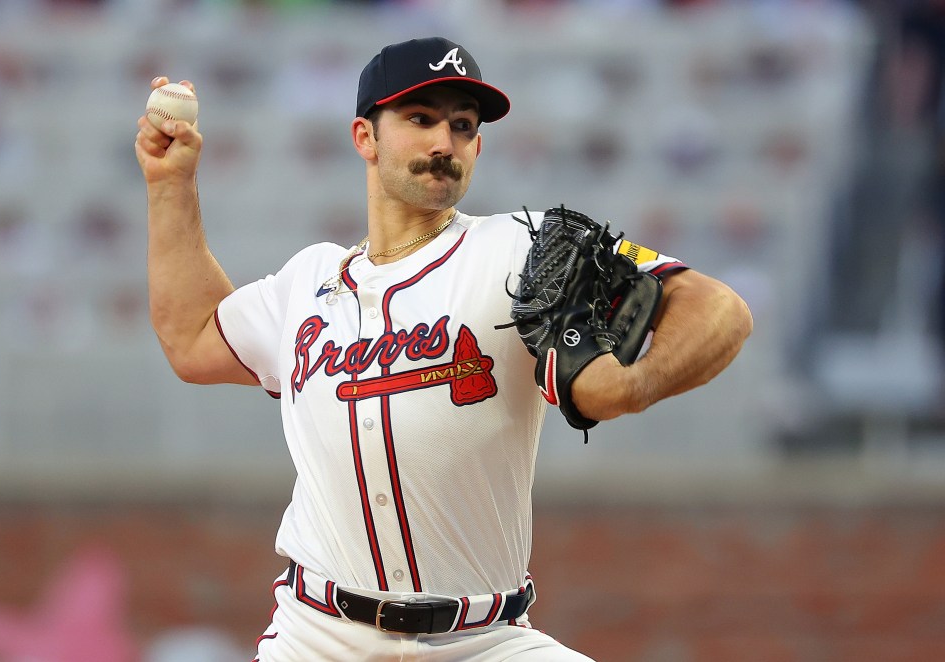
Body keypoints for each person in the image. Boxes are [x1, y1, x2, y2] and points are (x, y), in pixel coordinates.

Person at [134, 36, 752, 662]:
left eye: (462, 125)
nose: (443, 143)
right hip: (317, 636)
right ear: (364, 138)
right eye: (420, 119)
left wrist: (630, 385)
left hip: (486, 640)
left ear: (478, 147)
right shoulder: (308, 282)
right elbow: (192, 338)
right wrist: (169, 184)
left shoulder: (521, 249)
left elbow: (720, 308)